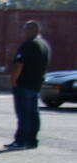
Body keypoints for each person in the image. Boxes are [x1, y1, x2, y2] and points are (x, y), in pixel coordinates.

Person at [5, 20, 50, 149]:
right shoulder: (44, 45)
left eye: (25, 30)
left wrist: (14, 80)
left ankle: (21, 141)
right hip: (36, 83)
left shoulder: (28, 45)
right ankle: (32, 140)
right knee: (33, 113)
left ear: (32, 30)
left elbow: (19, 64)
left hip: (24, 84)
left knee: (23, 114)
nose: (23, 33)